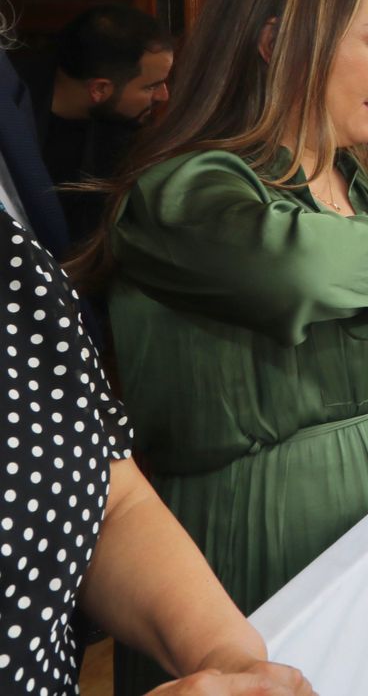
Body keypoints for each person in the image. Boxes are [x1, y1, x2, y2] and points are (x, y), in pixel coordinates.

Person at [67, 0, 368, 694]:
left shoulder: (360, 186)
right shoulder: (182, 193)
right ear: (279, 42)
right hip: (262, 585)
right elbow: (293, 268)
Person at [0, 194, 315, 696]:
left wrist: (226, 657)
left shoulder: (12, 255)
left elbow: (108, 495)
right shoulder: (187, 190)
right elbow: (308, 270)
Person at [22, 4, 173, 244]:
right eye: (151, 86)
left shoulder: (127, 129)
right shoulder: (15, 121)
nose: (164, 96)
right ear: (99, 89)